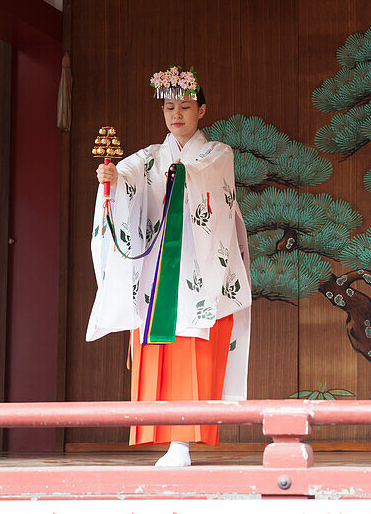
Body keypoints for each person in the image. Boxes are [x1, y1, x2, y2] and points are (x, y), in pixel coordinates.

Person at [87, 67, 251, 467]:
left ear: (202, 110)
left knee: (192, 353)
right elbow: (128, 177)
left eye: (185, 106)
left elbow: (209, 181)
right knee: (160, 351)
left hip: (199, 272)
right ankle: (169, 440)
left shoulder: (217, 154)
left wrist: (185, 175)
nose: (176, 114)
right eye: (169, 107)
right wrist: (111, 177)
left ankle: (182, 443)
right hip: (157, 274)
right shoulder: (147, 159)